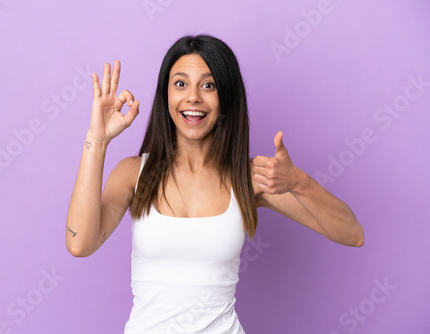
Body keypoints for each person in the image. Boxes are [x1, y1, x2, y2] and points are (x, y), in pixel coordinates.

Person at [65, 34, 364, 333]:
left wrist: (299, 182)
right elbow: (79, 244)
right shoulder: (134, 173)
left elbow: (352, 233)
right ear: (166, 95)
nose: (193, 96)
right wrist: (97, 140)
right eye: (180, 84)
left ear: (227, 97)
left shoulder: (249, 178)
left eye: (208, 85)